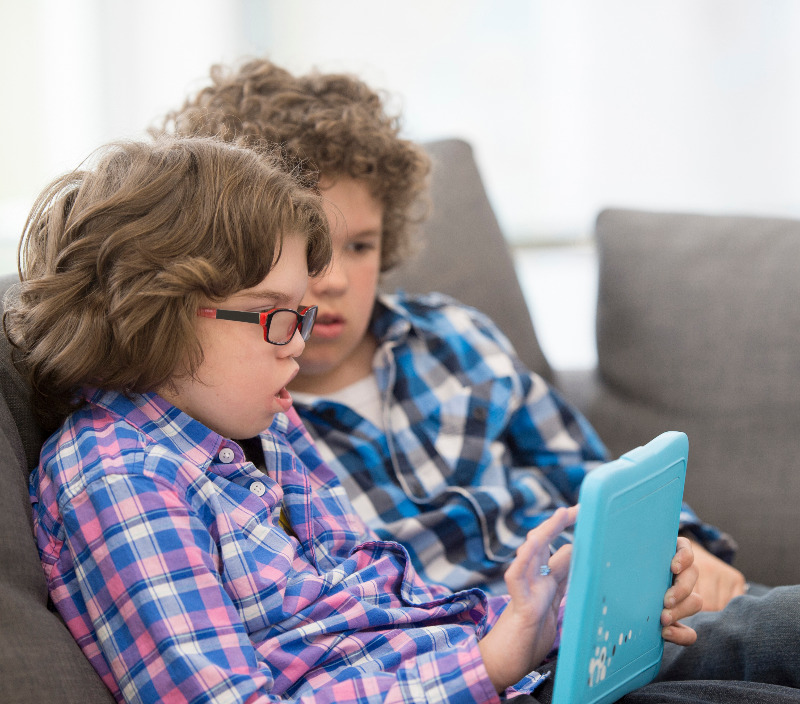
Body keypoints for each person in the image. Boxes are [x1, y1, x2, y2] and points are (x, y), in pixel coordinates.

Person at [10, 133, 800, 704]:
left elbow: (383, 604)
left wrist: (551, 624)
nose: (301, 341)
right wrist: (490, 665)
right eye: (279, 316)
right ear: (159, 310)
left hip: (450, 701)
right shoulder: (119, 479)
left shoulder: (259, 423)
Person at [163, 59, 746, 610]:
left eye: (360, 246)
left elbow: (587, 475)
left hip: (607, 602)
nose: (335, 279)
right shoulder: (240, 414)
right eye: (309, 252)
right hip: (481, 655)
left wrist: (677, 544)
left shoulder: (455, 335)